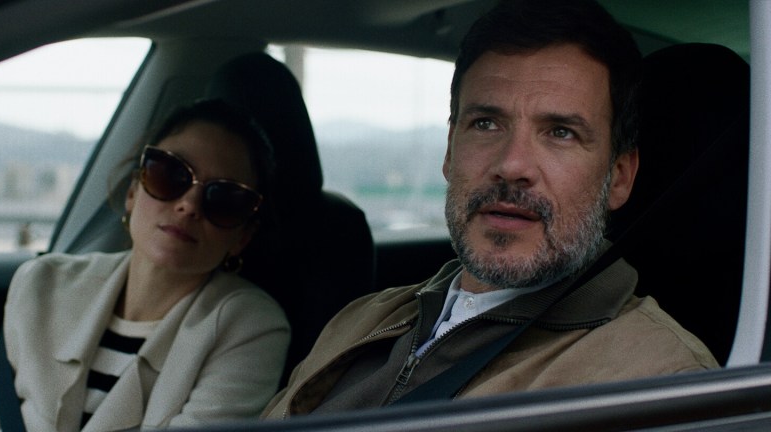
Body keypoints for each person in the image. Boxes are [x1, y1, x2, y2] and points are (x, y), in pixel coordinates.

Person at [263, 0, 718, 418]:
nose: (511, 165)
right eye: (485, 123)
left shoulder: (657, 381)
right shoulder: (360, 320)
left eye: (560, 132)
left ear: (618, 177)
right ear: (450, 150)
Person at [0, 99, 290, 431]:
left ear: (242, 237)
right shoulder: (43, 284)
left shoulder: (250, 327)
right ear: (133, 191)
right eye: (170, 174)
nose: (189, 205)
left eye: (224, 199)